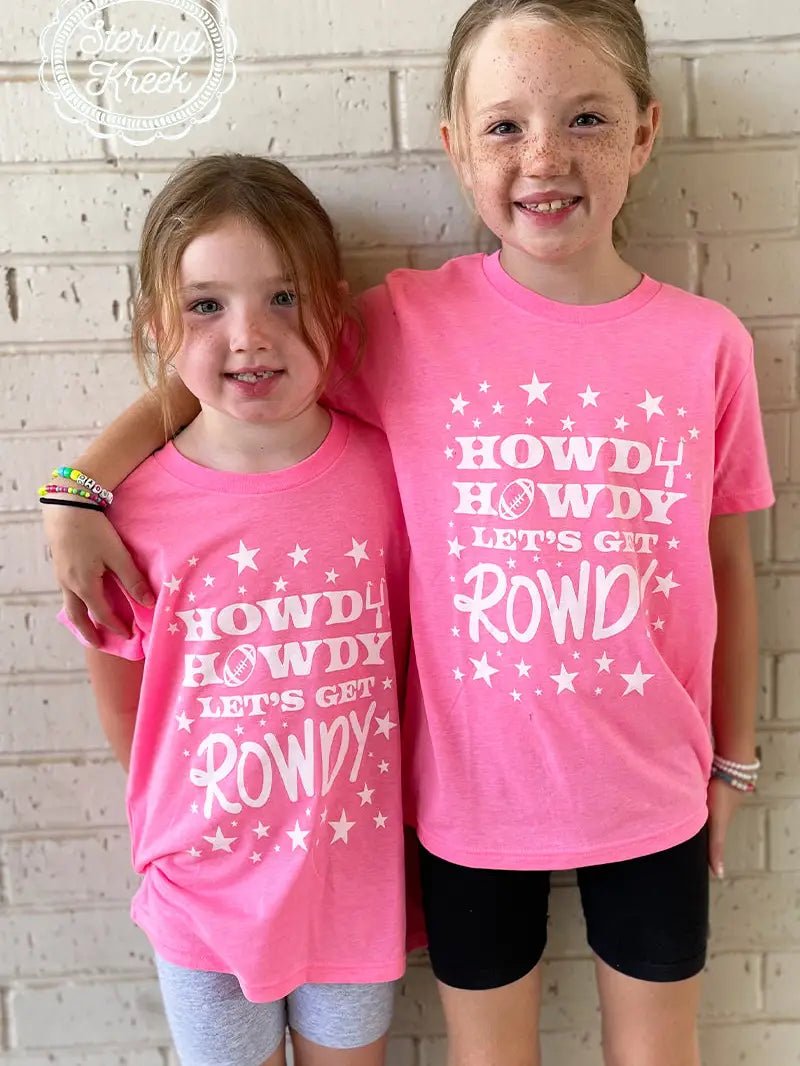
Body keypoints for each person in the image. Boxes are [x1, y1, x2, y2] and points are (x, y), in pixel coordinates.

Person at [41, 2, 774, 1064]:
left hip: (652, 789)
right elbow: (221, 377)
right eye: (504, 126)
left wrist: (731, 760)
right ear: (451, 145)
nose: (543, 158)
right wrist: (78, 486)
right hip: (468, 800)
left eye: (584, 119)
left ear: (644, 133)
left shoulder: (704, 343)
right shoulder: (399, 324)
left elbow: (724, 561)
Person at [49, 154, 411, 1066]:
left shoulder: (390, 476)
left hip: (350, 876)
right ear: (157, 324)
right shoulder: (127, 511)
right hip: (201, 887)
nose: (249, 335)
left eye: (283, 298)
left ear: (332, 305)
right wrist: (162, 837)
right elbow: (124, 694)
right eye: (207, 304)